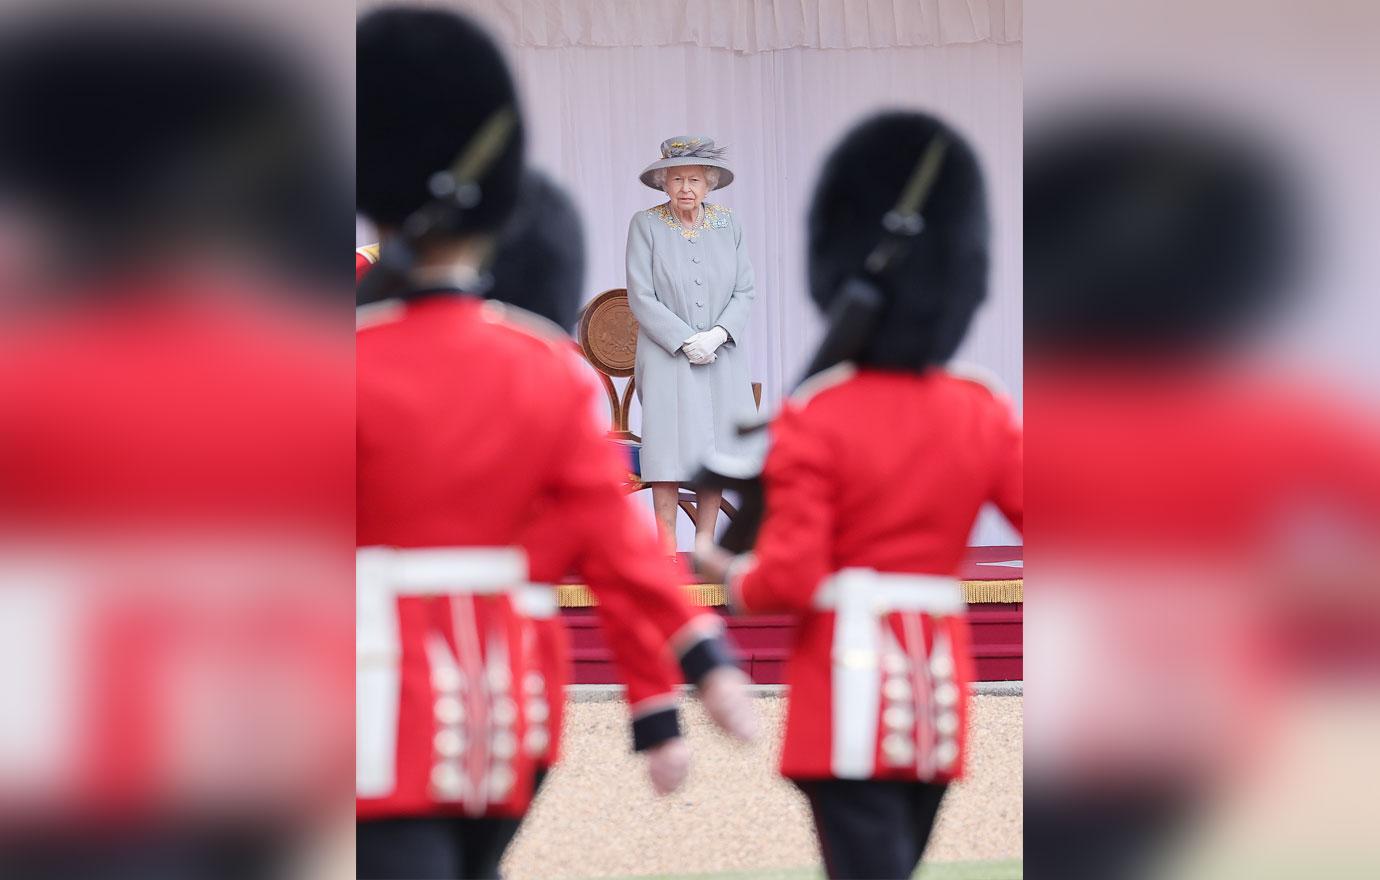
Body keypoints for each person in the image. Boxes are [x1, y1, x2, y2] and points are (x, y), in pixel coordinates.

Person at [356, 9, 755, 879]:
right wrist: (695, 660)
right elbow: (615, 546)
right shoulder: (548, 371)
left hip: (374, 695)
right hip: (512, 703)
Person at [695, 111, 1022, 880]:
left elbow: (791, 576)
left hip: (845, 689)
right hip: (937, 697)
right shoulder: (982, 409)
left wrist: (723, 568)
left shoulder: (820, 413)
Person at [625, 136, 757, 551]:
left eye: (695, 179)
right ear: (664, 183)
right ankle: (665, 543)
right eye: (678, 178)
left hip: (722, 353)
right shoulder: (645, 224)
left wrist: (718, 334)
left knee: (713, 448)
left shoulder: (729, 223)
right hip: (666, 354)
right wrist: (684, 341)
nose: (686, 188)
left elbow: (745, 290)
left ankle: (704, 541)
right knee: (666, 449)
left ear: (709, 184)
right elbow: (640, 295)